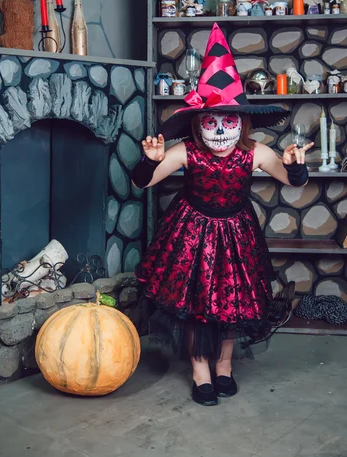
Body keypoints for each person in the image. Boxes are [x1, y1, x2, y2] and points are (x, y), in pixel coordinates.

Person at [132, 24, 313, 407]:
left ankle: (225, 366)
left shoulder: (255, 152)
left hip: (237, 235)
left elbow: (291, 181)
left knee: (233, 304)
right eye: (210, 121)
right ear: (197, 122)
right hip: (191, 235)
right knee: (198, 305)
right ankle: (200, 371)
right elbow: (144, 183)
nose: (219, 130)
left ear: (242, 122)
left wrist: (295, 165)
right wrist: (149, 162)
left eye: (227, 121)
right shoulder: (186, 151)